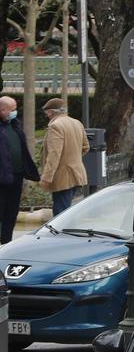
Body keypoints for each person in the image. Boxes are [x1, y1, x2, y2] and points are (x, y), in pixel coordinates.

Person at [39, 98, 89, 215]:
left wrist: (46, 178)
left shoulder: (55, 126)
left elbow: (54, 155)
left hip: (63, 177)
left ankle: (63, 234)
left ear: (51, 112)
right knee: (68, 212)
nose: (47, 115)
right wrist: (72, 157)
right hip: (77, 174)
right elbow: (86, 147)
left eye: (47, 113)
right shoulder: (77, 123)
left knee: (61, 214)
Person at [0, 96, 40, 244]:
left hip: (16, 177)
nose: (14, 112)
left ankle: (6, 243)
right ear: (2, 110)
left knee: (11, 213)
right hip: (2, 178)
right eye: (12, 110)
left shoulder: (15, 125)